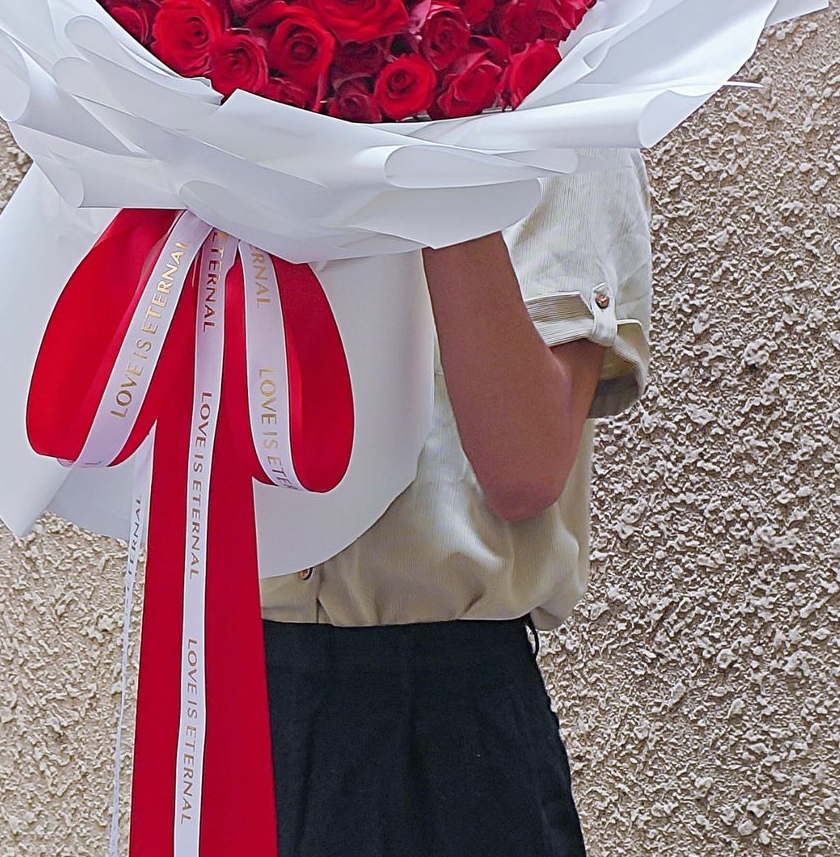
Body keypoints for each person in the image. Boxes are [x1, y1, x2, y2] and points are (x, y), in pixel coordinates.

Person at [261, 147, 654, 857]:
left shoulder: (560, 118)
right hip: (236, 692)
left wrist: (436, 142)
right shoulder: (218, 93)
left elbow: (523, 469)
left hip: (443, 714)